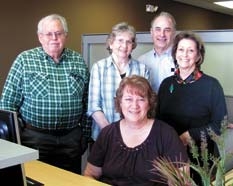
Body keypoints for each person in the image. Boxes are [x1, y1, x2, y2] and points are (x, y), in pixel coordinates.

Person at [0, 14, 91, 174]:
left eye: (59, 33)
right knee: (35, 179)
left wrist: (84, 134)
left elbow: (88, 102)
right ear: (40, 37)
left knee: (69, 182)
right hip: (34, 138)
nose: (54, 38)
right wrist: (16, 137)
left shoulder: (78, 61)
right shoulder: (24, 60)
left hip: (70, 139)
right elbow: (7, 104)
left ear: (66, 36)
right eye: (49, 34)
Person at [84, 75, 189, 186]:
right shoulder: (107, 134)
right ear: (120, 102)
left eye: (141, 99)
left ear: (149, 104)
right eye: (128, 99)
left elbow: (181, 181)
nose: (134, 105)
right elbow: (90, 174)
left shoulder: (166, 134)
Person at [155, 31, 228, 185]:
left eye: (191, 50)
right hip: (169, 156)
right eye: (181, 49)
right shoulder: (167, 84)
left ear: (198, 56)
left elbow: (219, 125)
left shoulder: (212, 86)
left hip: (201, 160)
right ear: (175, 53)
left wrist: (188, 136)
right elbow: (158, 120)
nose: (185, 54)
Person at [87, 22, 150, 141]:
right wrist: (110, 132)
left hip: (134, 137)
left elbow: (144, 104)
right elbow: (93, 106)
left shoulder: (142, 69)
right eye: (120, 40)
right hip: (104, 135)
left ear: (133, 45)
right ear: (111, 44)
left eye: (128, 42)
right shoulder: (99, 68)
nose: (124, 45)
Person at [138, 11, 176, 93]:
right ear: (151, 32)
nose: (162, 34)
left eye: (167, 30)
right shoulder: (142, 61)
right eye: (158, 29)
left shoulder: (182, 60)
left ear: (173, 33)